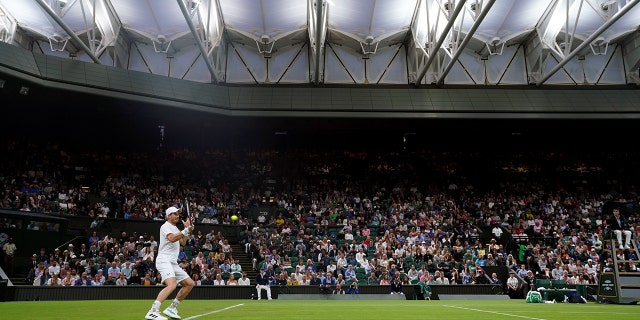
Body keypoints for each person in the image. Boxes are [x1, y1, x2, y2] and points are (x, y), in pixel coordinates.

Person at [145, 206, 195, 320]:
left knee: (189, 284)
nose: (177, 216)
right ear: (168, 216)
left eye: (178, 214)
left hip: (172, 262)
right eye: (174, 214)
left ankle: (172, 308)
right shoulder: (165, 226)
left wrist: (188, 230)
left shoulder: (176, 228)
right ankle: (153, 311)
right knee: (172, 285)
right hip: (164, 260)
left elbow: (183, 242)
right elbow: (172, 238)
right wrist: (186, 230)